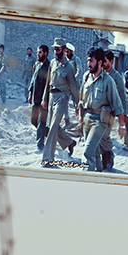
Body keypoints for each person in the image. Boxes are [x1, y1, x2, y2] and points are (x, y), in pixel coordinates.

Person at [79, 48, 124, 172]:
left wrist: (122, 126)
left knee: (87, 152)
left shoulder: (108, 81)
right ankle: (98, 174)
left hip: (100, 121)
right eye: (88, 60)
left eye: (91, 61)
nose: (89, 64)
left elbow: (117, 104)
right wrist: (80, 117)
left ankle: (85, 180)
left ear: (99, 62)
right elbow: (81, 98)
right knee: (94, 153)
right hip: (87, 118)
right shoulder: (86, 77)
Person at [41, 37, 78, 166]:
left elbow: (73, 87)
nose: (56, 52)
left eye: (58, 49)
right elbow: (48, 82)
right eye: (54, 49)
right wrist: (44, 98)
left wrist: (77, 105)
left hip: (62, 98)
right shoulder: (52, 63)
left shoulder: (69, 67)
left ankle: (47, 159)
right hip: (51, 97)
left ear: (64, 50)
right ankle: (69, 142)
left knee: (52, 128)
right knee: (54, 126)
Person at [98, 50, 128, 169]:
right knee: (100, 136)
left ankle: (108, 156)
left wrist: (126, 114)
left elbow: (123, 96)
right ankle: (105, 156)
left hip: (110, 112)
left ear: (111, 61)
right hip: (99, 111)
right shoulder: (100, 73)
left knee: (104, 135)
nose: (103, 64)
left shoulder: (116, 77)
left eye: (105, 62)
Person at [28, 44, 50, 149]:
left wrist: (45, 100)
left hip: (44, 100)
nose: (38, 54)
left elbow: (49, 85)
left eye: (40, 52)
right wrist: (30, 94)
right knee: (34, 121)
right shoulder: (36, 64)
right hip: (35, 98)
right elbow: (33, 80)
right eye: (37, 52)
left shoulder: (49, 66)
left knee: (41, 122)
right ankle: (50, 134)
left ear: (45, 53)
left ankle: (40, 145)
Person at [64, 43, 83, 128]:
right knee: (64, 103)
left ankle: (80, 122)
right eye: (65, 51)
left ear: (71, 51)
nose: (66, 53)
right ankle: (67, 121)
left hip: (75, 85)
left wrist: (74, 78)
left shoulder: (76, 59)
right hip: (67, 85)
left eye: (68, 51)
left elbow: (80, 71)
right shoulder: (65, 60)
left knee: (77, 104)